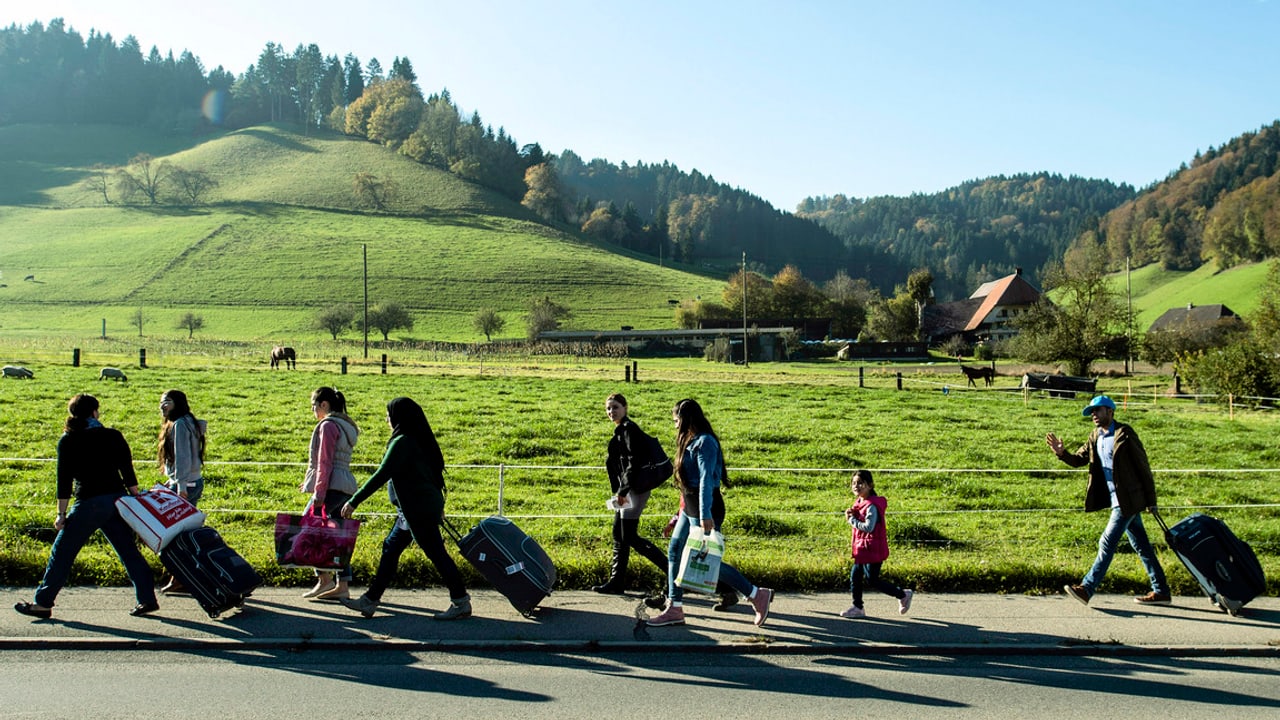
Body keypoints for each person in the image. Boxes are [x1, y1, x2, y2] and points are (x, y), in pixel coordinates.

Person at [14, 394, 159, 619]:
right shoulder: (113, 436)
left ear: (72, 414)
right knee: (129, 552)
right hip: (118, 501)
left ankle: (43, 602)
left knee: (62, 553)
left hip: (89, 503)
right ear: (94, 412)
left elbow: (64, 481)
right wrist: (136, 500)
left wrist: (61, 514)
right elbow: (128, 473)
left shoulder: (69, 440)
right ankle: (147, 599)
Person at [339, 397, 471, 621]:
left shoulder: (402, 442)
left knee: (436, 554)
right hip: (414, 509)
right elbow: (432, 475)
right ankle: (370, 601)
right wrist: (438, 506)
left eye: (389, 415)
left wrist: (354, 501)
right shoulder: (418, 438)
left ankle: (461, 602)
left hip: (416, 510)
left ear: (399, 418)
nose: (386, 419)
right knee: (391, 550)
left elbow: (382, 474)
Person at [647, 398, 773, 628]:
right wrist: (678, 514)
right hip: (691, 505)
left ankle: (756, 594)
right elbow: (687, 482)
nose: (674, 425)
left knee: (706, 560)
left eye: (676, 421)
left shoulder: (705, 442)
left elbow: (705, 481)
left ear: (686, 419)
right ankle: (674, 606)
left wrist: (705, 515)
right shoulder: (690, 439)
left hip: (705, 506)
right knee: (675, 550)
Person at [1046, 395, 1171, 607]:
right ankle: (1161, 591)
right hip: (1115, 499)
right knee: (1142, 546)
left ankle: (1087, 588)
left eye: (1098, 410)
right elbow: (1079, 460)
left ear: (1110, 412)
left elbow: (1143, 467)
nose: (1094, 415)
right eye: (1092, 412)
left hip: (1128, 500)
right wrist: (1062, 453)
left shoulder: (1125, 434)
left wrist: (1151, 500)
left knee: (1106, 542)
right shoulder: (1095, 436)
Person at [592, 393, 674, 595]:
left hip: (634, 490)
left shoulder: (629, 430)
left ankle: (673, 574)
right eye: (608, 408)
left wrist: (622, 490)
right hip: (627, 490)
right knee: (619, 534)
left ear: (625, 408)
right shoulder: (621, 430)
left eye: (616, 407)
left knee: (629, 535)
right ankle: (616, 581)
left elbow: (633, 462)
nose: (611, 411)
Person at [299, 387, 360, 601]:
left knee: (309, 528)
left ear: (324, 405)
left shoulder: (327, 425)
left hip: (331, 486)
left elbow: (325, 462)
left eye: (313, 406)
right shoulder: (345, 426)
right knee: (337, 537)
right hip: (345, 486)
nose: (313, 411)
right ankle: (342, 585)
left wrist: (318, 493)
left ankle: (324, 579)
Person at [155, 389, 208, 594]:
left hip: (185, 485)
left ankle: (182, 577)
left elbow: (183, 457)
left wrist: (181, 487)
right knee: (181, 533)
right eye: (161, 402)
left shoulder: (179, 425)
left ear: (178, 403)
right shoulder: (188, 422)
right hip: (189, 482)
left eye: (167, 401)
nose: (162, 405)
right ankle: (181, 577)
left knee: (176, 535)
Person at [841, 469, 912, 618]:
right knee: (855, 576)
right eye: (854, 483)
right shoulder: (860, 502)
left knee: (873, 580)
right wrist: (854, 513)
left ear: (870, 485)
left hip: (873, 548)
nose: (856, 486)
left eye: (861, 483)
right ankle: (857, 607)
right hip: (863, 548)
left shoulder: (872, 506)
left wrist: (852, 521)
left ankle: (903, 594)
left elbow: (869, 527)